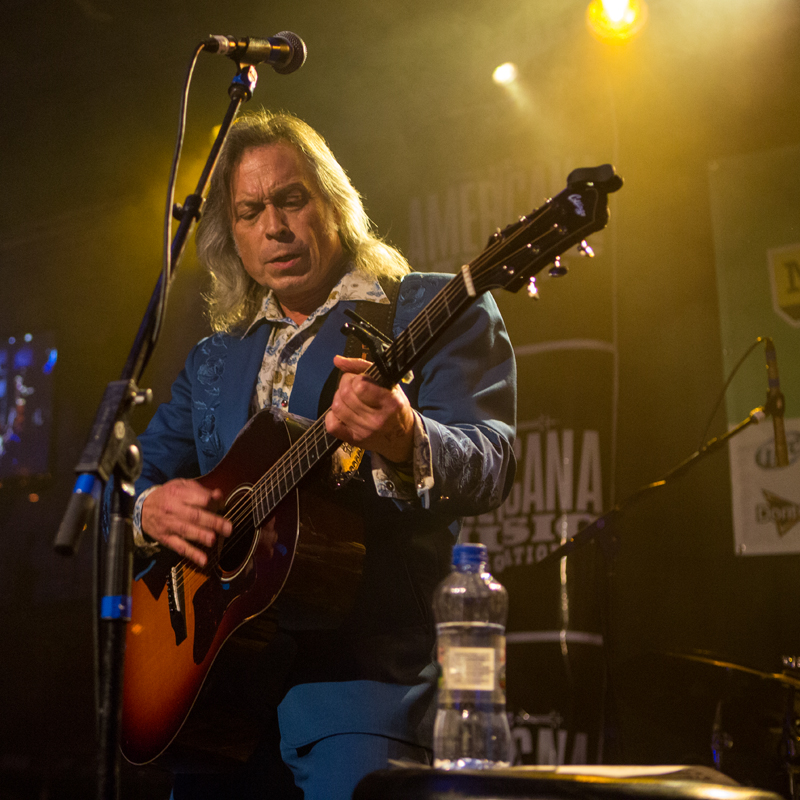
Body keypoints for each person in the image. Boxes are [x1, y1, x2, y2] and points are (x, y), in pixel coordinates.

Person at [131, 109, 516, 799]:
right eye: (250, 212)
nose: (274, 227)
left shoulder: (431, 309)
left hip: (360, 686)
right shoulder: (214, 359)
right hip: (213, 693)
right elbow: (132, 480)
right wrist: (149, 508)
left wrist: (405, 436)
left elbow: (491, 462)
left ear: (335, 204)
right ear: (231, 234)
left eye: (291, 200)